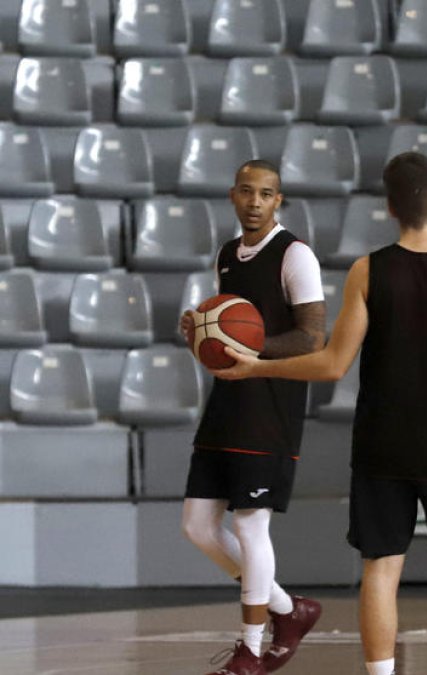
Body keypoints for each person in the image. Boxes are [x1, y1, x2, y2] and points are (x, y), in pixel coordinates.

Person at [215, 152, 427, 675]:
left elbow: (331, 364)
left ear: (390, 209)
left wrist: (255, 367)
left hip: (382, 446)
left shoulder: (368, 270)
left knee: (381, 569)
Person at [179, 159, 327, 675]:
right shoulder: (226, 254)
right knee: (197, 525)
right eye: (247, 192)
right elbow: (230, 328)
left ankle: (250, 646)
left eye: (266, 194)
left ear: (278, 200)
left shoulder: (295, 254)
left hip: (271, 406)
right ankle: (290, 610)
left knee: (250, 525)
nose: (255, 202)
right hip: (227, 400)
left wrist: (253, 353)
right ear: (233, 195)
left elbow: (313, 336)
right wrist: (201, 329)